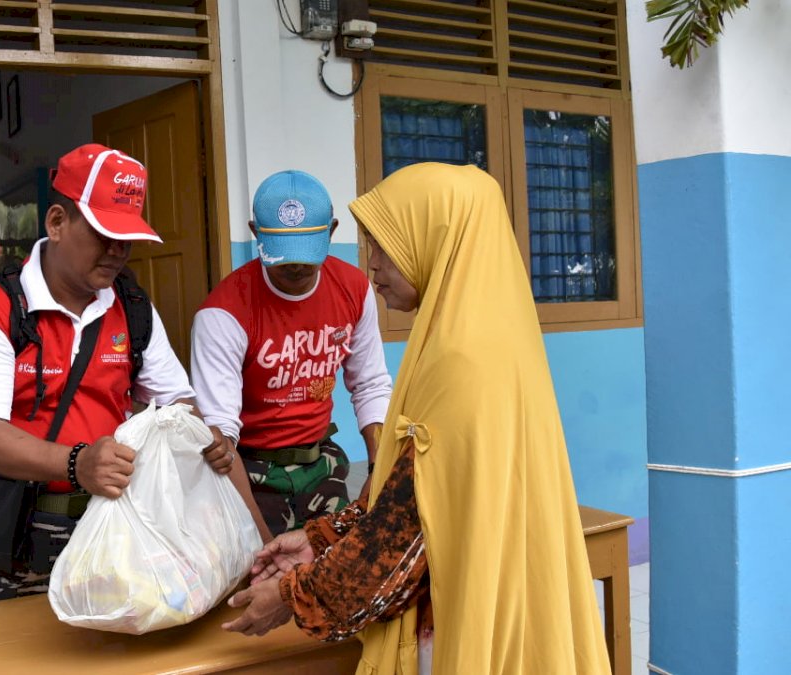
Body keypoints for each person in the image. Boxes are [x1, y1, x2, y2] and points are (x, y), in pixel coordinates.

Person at [222, 163, 610, 674]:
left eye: (386, 245)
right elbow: (410, 491)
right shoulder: (471, 339)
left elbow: (406, 533)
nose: (373, 264)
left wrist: (294, 596)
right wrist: (322, 541)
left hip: (462, 613)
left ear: (435, 242)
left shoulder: (466, 363)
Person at [0, 142, 231, 603]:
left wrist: (203, 434)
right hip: (14, 541)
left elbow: (178, 400)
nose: (118, 251)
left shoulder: (133, 309)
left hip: (110, 531)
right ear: (57, 223)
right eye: (104, 233)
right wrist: (77, 463)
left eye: (128, 238)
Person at [190, 170, 392, 541]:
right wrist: (260, 544)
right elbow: (221, 433)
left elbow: (370, 383)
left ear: (332, 231)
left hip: (323, 462)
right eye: (284, 256)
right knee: (262, 579)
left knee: (332, 567)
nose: (296, 266)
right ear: (255, 232)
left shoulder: (353, 289)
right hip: (251, 468)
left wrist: (379, 468)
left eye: (307, 253)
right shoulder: (223, 313)